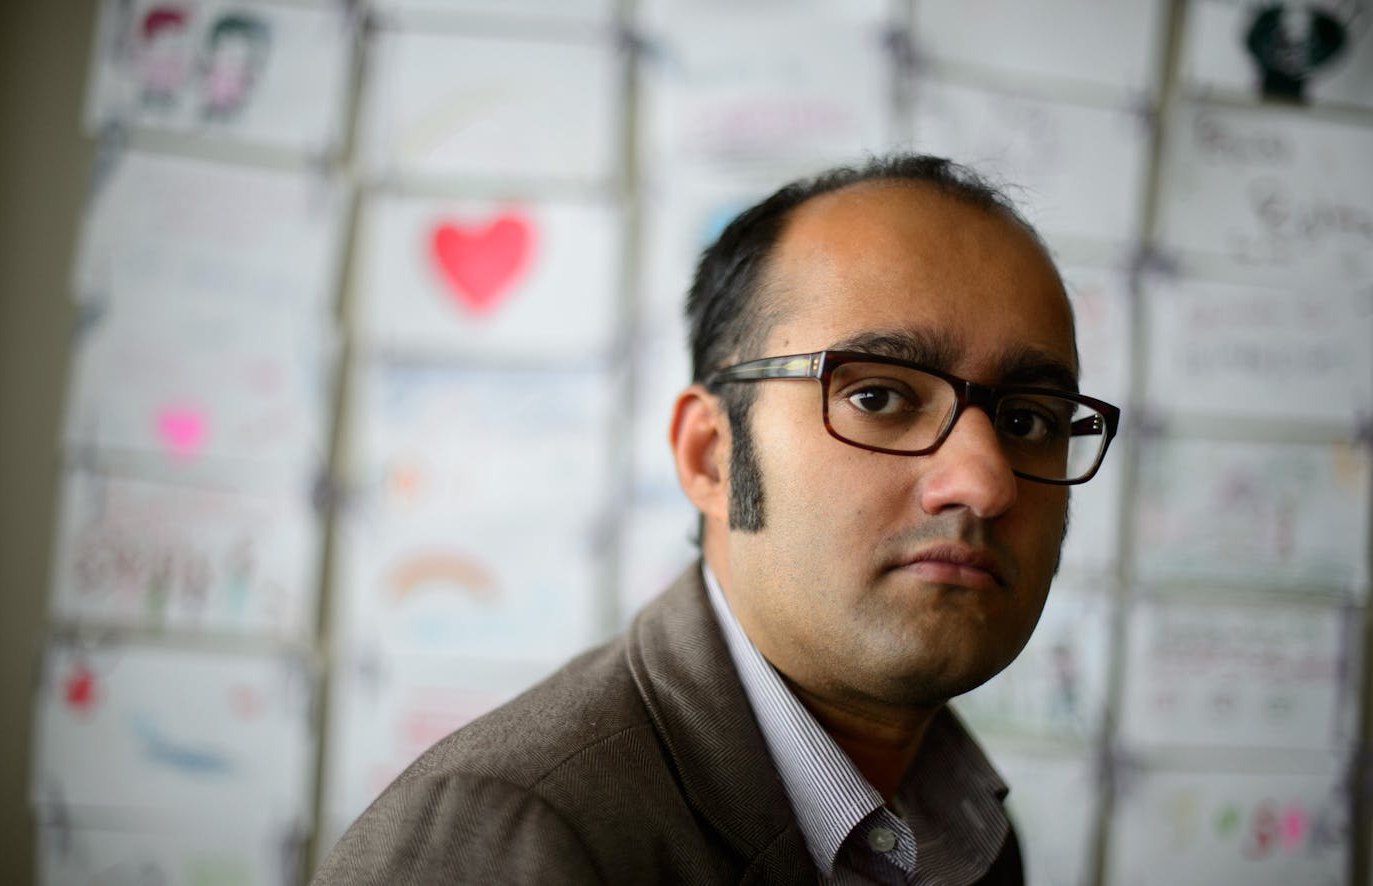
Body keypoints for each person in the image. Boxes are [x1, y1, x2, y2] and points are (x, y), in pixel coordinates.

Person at [311, 154, 1121, 885]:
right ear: (709, 455)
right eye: (878, 397)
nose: (983, 483)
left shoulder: (966, 829)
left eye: (1027, 422)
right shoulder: (507, 838)